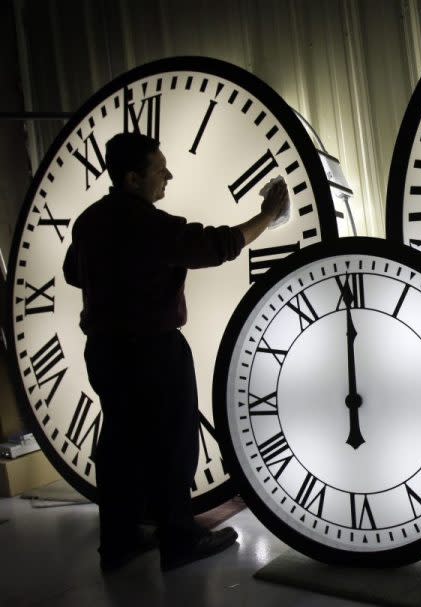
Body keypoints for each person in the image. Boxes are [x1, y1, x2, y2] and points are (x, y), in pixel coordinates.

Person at [63, 132, 288, 573]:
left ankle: (120, 541)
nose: (169, 174)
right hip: (155, 350)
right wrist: (268, 214)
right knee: (172, 444)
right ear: (132, 178)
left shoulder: (89, 222)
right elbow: (217, 246)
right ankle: (179, 540)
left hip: (104, 350)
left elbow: (75, 273)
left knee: (119, 443)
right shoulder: (149, 225)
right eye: (159, 168)